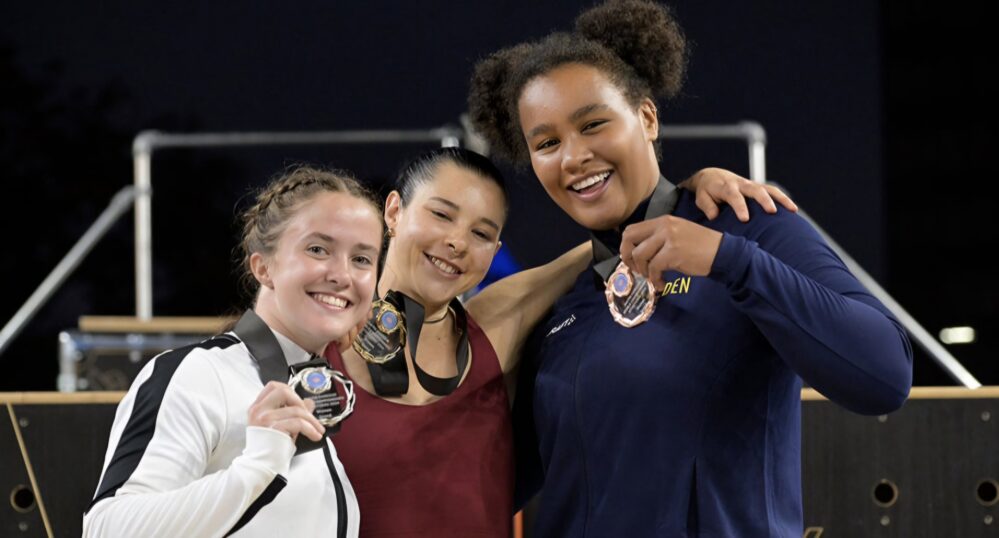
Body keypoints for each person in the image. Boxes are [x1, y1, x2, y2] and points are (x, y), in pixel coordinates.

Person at [467, 1, 914, 536]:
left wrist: (729, 261)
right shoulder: (564, 305)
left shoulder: (749, 227)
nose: (573, 156)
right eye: (547, 143)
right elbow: (485, 484)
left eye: (593, 124)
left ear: (647, 118)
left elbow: (884, 376)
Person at [324, 147, 797, 537]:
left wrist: (687, 191)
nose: (456, 242)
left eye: (482, 233)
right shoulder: (315, 338)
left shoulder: (494, 325)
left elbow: (615, 246)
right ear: (393, 210)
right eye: (441, 215)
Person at [83, 166, 384, 537]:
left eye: (362, 259)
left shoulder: (328, 392)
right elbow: (107, 529)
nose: (342, 275)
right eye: (318, 249)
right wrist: (256, 467)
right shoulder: (199, 373)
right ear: (263, 268)